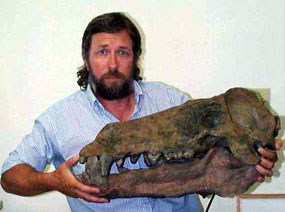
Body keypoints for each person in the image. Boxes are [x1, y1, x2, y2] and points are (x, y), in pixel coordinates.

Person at [1, 12, 282, 212]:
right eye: (102, 52)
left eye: (122, 52)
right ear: (86, 59)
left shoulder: (172, 99)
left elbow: (210, 164)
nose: (112, 63)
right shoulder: (58, 119)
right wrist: (52, 181)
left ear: (135, 57)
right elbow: (10, 176)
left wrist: (251, 162)